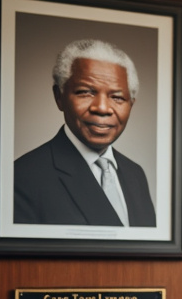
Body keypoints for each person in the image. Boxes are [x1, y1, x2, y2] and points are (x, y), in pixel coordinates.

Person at [13, 39, 156, 227]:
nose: (102, 108)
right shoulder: (22, 176)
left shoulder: (135, 174)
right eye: (85, 93)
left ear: (131, 103)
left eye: (117, 97)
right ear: (59, 97)